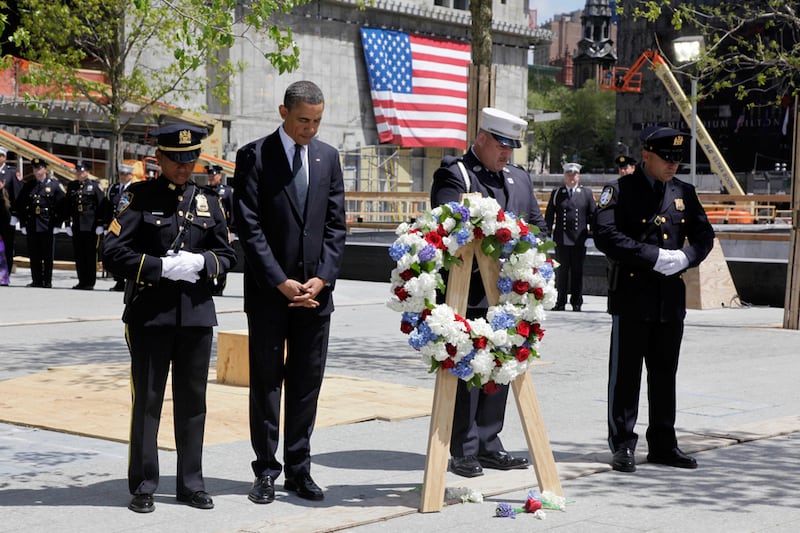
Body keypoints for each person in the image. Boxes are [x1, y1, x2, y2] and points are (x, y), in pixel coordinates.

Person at [102, 124, 236, 513]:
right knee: (147, 400)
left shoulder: (209, 201)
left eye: (190, 158)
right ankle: (144, 484)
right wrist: (158, 267)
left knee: (194, 402)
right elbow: (110, 250)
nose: (183, 166)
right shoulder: (138, 198)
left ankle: (191, 483)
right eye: (176, 159)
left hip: (195, 316)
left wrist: (202, 261)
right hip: (150, 315)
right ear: (158, 159)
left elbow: (227, 254)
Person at [233, 80, 346, 504]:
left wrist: (323, 277)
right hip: (269, 293)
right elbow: (249, 225)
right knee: (266, 383)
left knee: (305, 385)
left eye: (317, 121)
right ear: (284, 112)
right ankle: (265, 470)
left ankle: (300, 469)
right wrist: (280, 281)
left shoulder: (328, 157)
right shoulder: (254, 156)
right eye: (303, 120)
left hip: (315, 294)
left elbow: (336, 226)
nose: (310, 129)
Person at [430, 107, 548, 478]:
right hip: (469, 291)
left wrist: (536, 253)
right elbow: (448, 223)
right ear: (481, 138)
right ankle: (462, 448)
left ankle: (489, 442)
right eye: (500, 145)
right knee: (468, 370)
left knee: (500, 368)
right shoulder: (456, 174)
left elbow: (537, 225)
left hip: (510, 294)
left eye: (512, 147)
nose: (506, 153)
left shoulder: (518, 178)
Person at [592, 126, 715, 473]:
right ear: (646, 155)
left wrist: (687, 257)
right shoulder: (619, 190)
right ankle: (623, 444)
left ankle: (663, 444)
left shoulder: (684, 192)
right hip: (633, 296)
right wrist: (653, 256)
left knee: (665, 375)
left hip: (669, 299)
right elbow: (605, 234)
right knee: (626, 376)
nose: (673, 164)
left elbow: (705, 235)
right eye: (666, 158)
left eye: (677, 158)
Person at [545, 162, 597, 312]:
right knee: (562, 272)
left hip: (579, 239)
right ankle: (560, 302)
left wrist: (591, 236)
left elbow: (592, 215)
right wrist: (548, 234)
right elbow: (549, 215)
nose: (571, 177)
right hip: (561, 239)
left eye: (574, 174)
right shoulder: (557, 193)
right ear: (564, 176)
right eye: (568, 174)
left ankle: (576, 301)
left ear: (578, 176)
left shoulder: (586, 193)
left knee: (577, 271)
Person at [15, 158, 66, 288]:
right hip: (32, 224)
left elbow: (62, 206)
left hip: (47, 224)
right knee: (34, 253)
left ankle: (47, 281)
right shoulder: (29, 185)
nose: (37, 171)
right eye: (35, 168)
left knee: (47, 255)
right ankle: (36, 280)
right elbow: (21, 205)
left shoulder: (54, 185)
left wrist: (58, 224)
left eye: (39, 168)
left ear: (45, 170)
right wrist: (23, 224)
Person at [65, 161, 108, 290]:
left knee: (90, 254)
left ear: (87, 172)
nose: (79, 173)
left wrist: (101, 223)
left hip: (91, 226)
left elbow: (102, 205)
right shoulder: (72, 186)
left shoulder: (94, 186)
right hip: (77, 225)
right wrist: (67, 223)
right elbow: (68, 205)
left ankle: (89, 282)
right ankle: (81, 281)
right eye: (78, 171)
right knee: (79, 254)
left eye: (82, 171)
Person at [105, 163, 136, 292]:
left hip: (128, 225)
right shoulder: (113, 188)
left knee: (128, 251)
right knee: (114, 251)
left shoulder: (135, 188)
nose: (123, 176)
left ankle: (127, 279)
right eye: (121, 174)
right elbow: (107, 206)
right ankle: (118, 281)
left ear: (131, 175)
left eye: (125, 174)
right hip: (114, 225)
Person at [205, 164, 234, 295]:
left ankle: (220, 286)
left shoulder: (227, 191)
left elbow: (232, 212)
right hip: (207, 228)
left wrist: (231, 230)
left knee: (222, 256)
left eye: (213, 175)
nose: (211, 177)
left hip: (222, 229)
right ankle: (210, 285)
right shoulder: (203, 190)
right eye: (209, 175)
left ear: (219, 176)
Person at [0, 147, 21, 277]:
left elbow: (17, 194)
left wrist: (16, 214)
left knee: (6, 244)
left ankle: (4, 274)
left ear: (4, 157)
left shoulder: (12, 172)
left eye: (0, 155)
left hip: (5, 215)